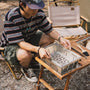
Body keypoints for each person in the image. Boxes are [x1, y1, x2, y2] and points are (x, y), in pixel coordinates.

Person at [0, 0, 71, 82]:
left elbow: (50, 31)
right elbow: (21, 43)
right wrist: (38, 49)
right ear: (22, 5)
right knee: (25, 54)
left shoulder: (38, 13)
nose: (35, 11)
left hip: (28, 38)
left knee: (50, 38)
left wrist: (60, 38)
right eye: (32, 8)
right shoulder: (12, 17)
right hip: (11, 45)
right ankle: (26, 68)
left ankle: (34, 60)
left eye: (37, 7)